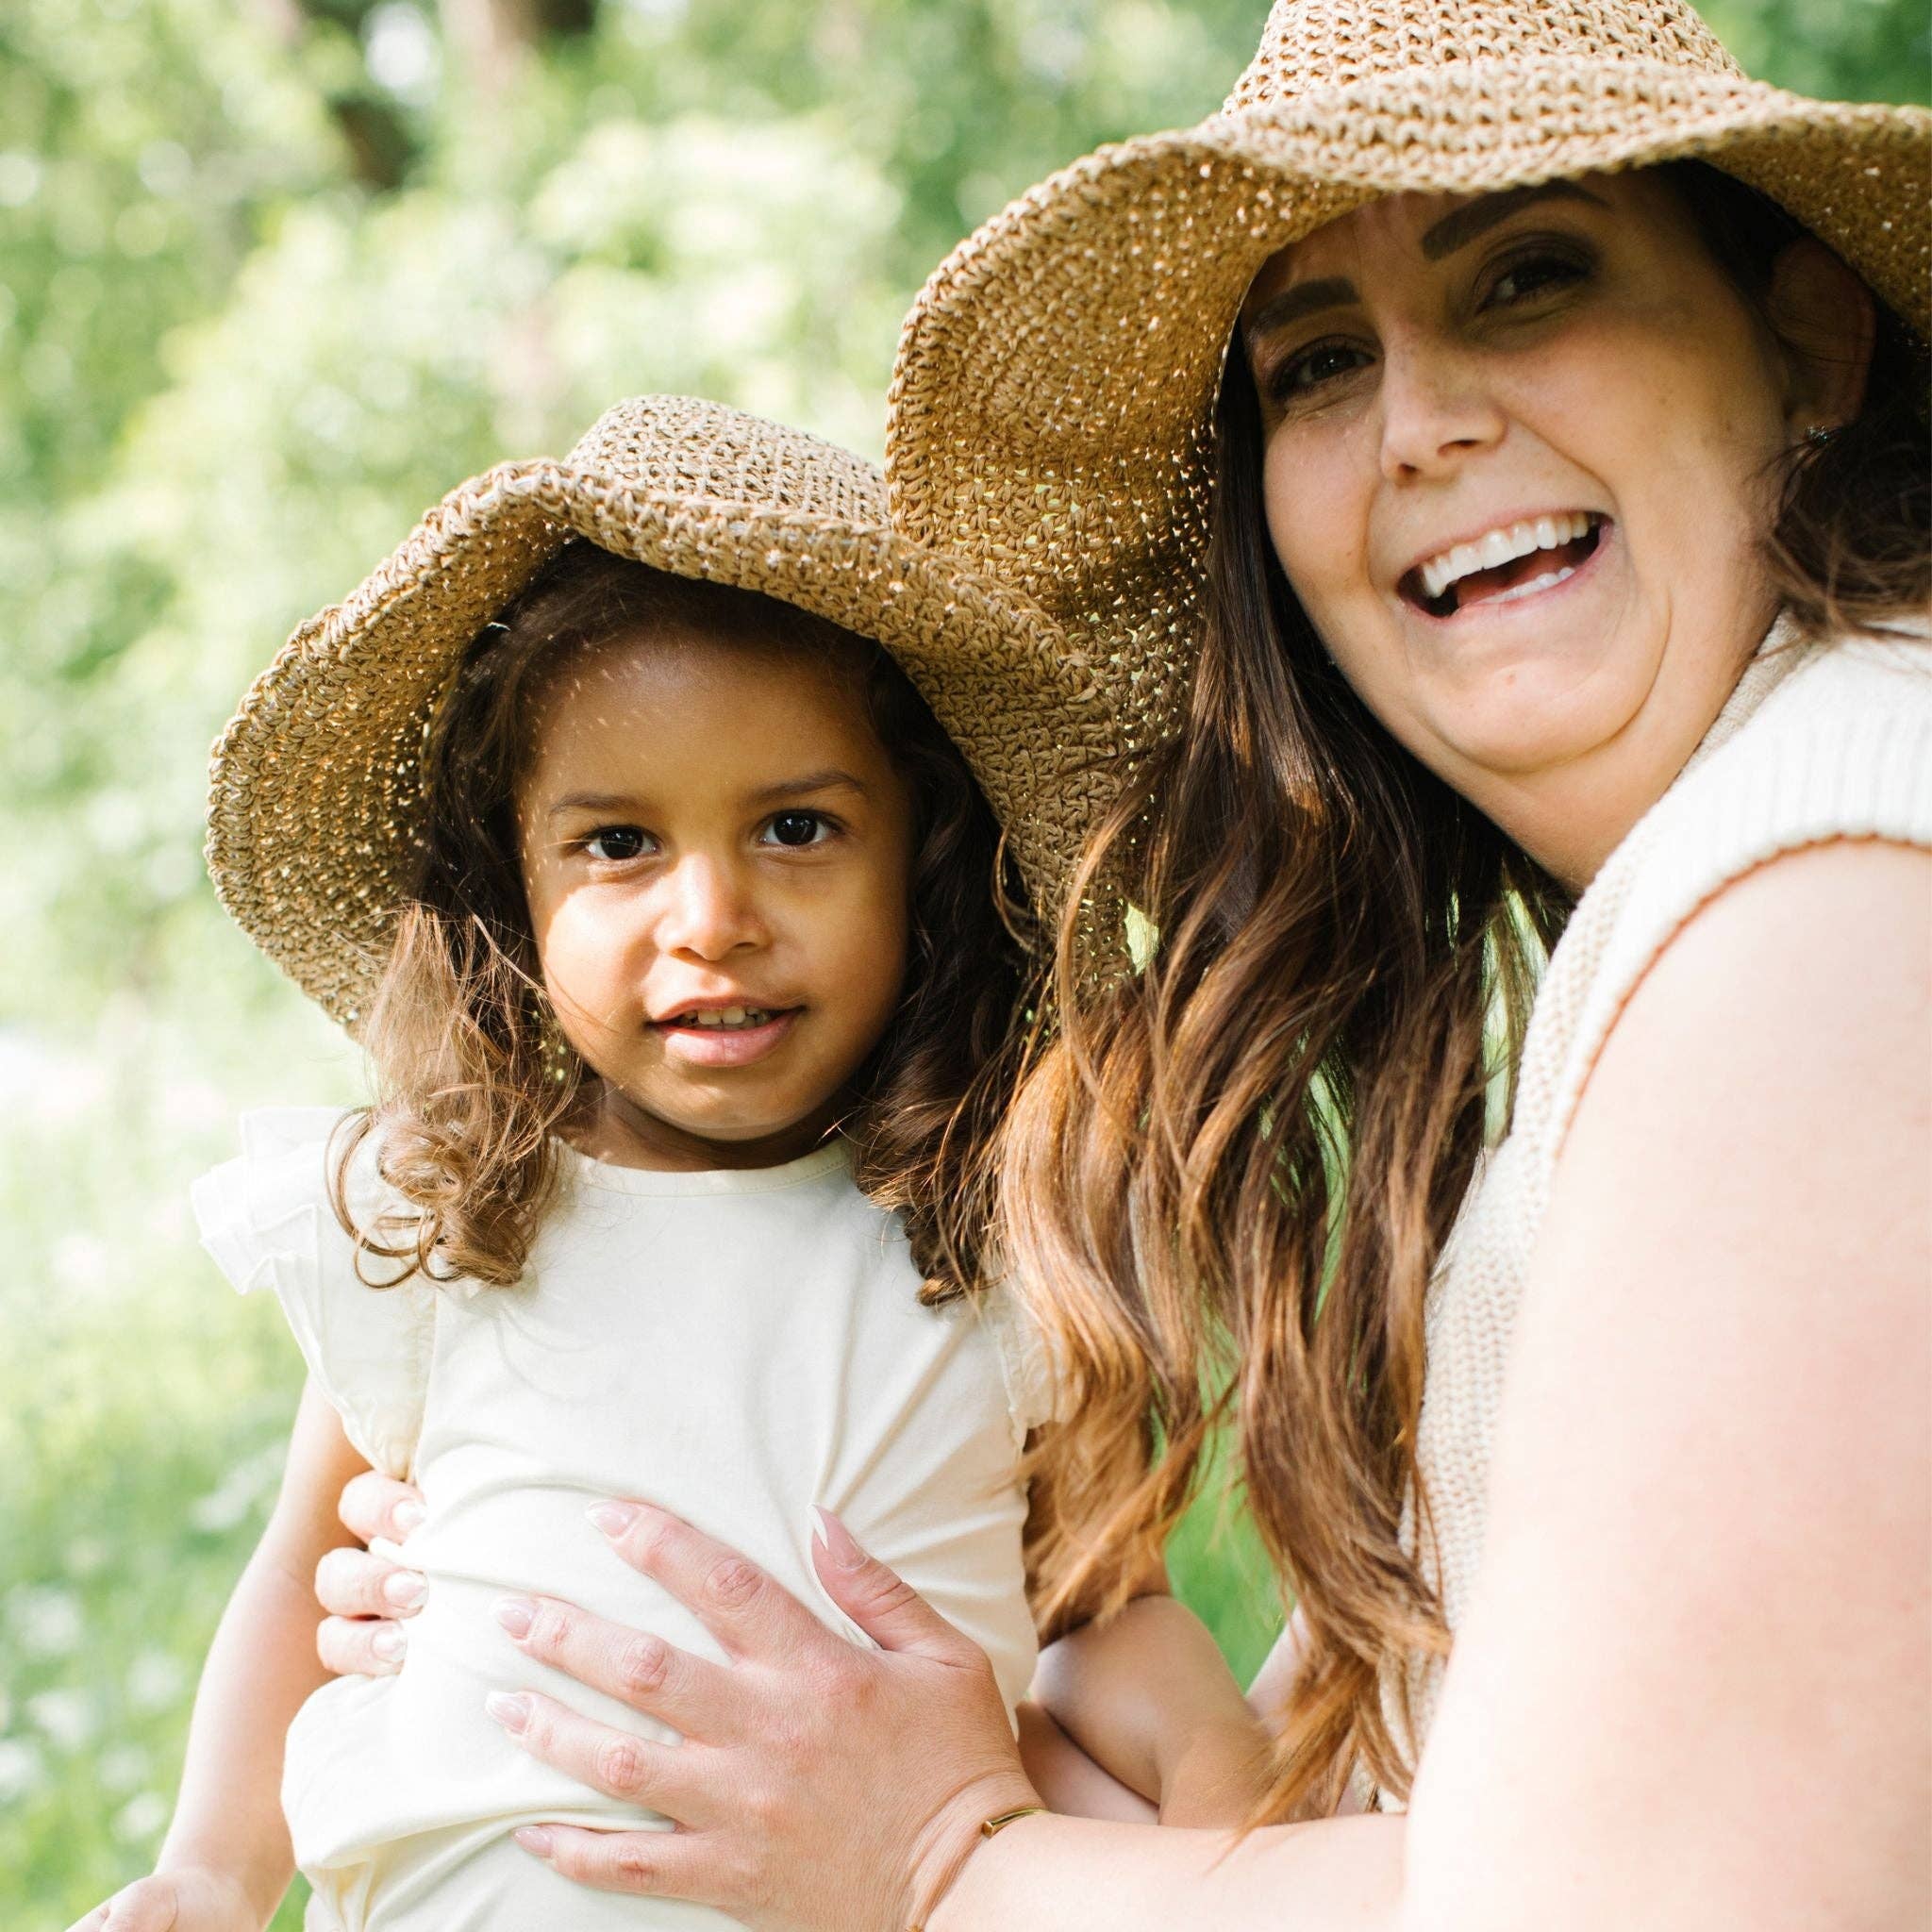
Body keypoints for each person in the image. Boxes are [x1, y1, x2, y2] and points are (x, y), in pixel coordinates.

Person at [301, 5, 1930, 1928]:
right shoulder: (1724, 878)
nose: (1420, 425)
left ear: (1807, 339)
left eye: (1527, 278)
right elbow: (1521, 1781)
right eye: (1321, 363)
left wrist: (939, 1859)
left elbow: (1649, 1901)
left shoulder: (1824, 892)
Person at [70, 397, 1275, 1932]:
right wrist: (212, 1871)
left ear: (926, 856)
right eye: (619, 845)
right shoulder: (445, 1214)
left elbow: (1106, 1608)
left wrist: (1232, 1800)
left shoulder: (1006, 1226)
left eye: (796, 828)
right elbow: (305, 1582)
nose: (711, 918)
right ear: (512, 881)